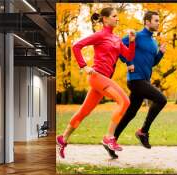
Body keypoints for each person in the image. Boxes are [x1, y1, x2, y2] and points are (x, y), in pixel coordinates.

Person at [56, 7, 136, 159]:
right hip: (96, 76)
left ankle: (63, 138)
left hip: (103, 81)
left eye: (117, 16)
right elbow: (76, 46)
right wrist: (84, 66)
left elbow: (129, 55)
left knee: (84, 112)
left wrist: (132, 42)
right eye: (114, 16)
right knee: (124, 101)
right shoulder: (99, 35)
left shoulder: (117, 39)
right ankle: (109, 137)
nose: (117, 19)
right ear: (105, 19)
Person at [114, 11, 167, 149]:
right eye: (156, 20)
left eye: (158, 20)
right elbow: (119, 48)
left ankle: (111, 139)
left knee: (130, 113)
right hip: (135, 79)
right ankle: (143, 131)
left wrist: (160, 53)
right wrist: (128, 62)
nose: (158, 23)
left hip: (144, 81)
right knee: (161, 99)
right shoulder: (136, 36)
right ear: (147, 22)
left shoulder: (153, 42)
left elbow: (152, 63)